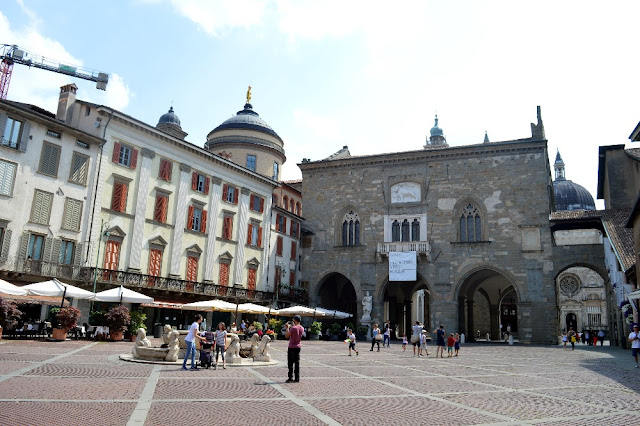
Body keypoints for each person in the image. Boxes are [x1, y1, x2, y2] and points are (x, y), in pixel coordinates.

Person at [285, 315, 304, 382]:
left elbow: (287, 336)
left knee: (290, 363)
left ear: (295, 320)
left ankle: (290, 377)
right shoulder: (302, 328)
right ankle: (297, 378)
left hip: (292, 346)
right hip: (298, 346)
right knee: (297, 362)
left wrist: (287, 328)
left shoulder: (293, 328)